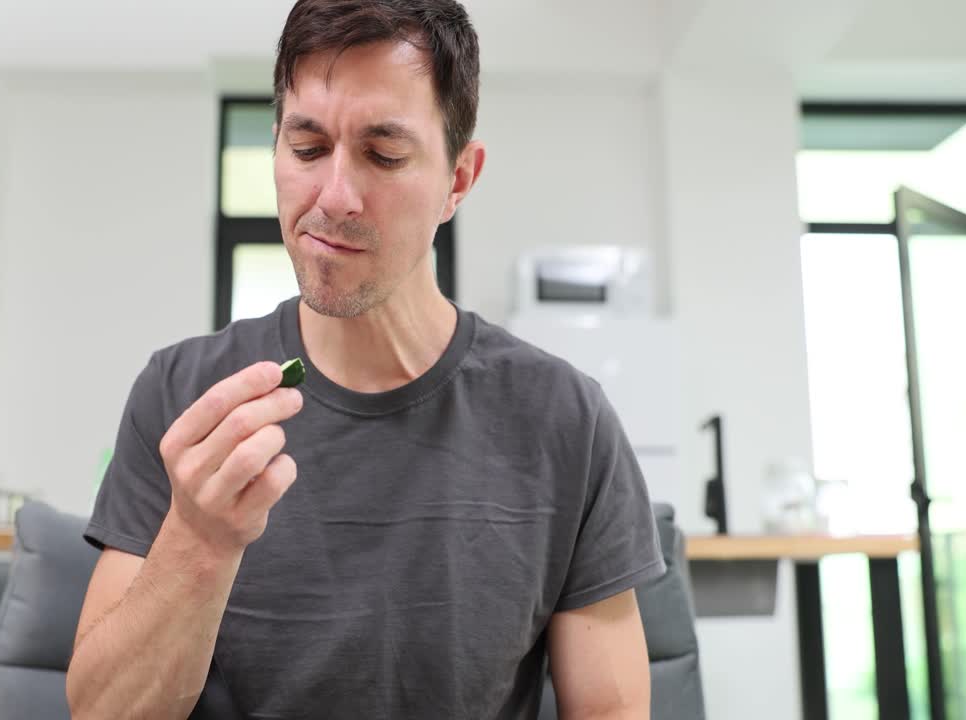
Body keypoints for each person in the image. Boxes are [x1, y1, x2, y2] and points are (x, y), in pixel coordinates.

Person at [65, 1, 663, 717]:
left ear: (459, 180)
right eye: (307, 147)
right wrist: (198, 541)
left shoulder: (566, 419)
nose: (334, 196)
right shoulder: (183, 394)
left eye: (383, 154)